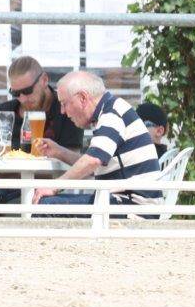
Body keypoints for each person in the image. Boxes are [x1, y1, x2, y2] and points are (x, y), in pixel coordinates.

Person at [32, 71, 161, 210]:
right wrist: (58, 151)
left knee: (46, 205)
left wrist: (54, 186)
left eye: (64, 103)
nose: (62, 111)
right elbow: (93, 165)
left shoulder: (112, 114)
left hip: (133, 206)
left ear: (83, 98)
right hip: (128, 202)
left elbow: (93, 161)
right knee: (47, 203)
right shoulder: (111, 108)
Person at [0, 55, 85, 204]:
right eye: (15, 93)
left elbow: (73, 164)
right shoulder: (5, 112)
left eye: (28, 91)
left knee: (23, 206)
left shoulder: (66, 110)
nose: (22, 98)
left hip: (45, 188)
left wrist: (9, 177)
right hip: (1, 185)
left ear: (44, 80)